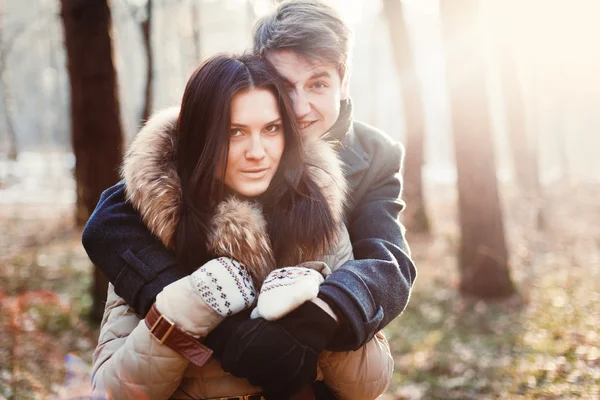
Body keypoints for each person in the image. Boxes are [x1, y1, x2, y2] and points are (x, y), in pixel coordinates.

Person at [83, 0, 417, 397]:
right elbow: (111, 219)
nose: (298, 108)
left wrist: (320, 316)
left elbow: (389, 262)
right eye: (283, 84)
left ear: (344, 83)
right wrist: (214, 317)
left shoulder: (373, 154)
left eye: (318, 84)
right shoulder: (199, 137)